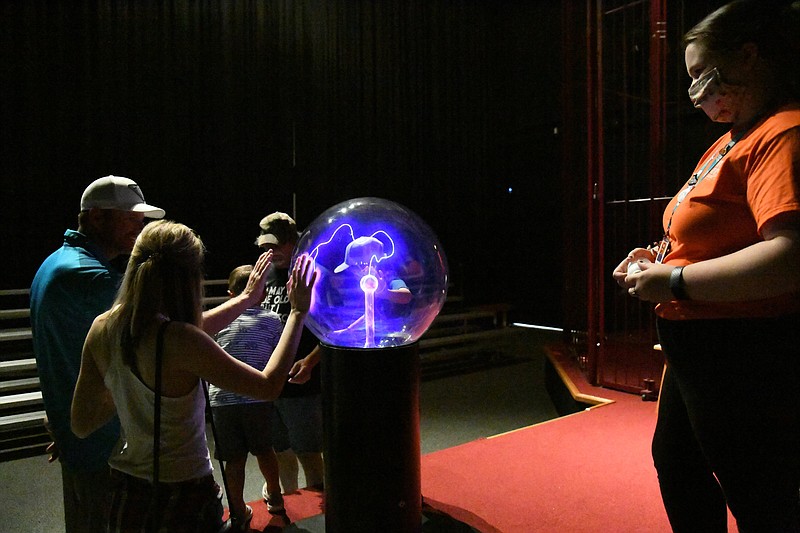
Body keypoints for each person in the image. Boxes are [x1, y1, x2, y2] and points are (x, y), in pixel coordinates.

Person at [613, 1, 800, 531]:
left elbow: (789, 256)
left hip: (743, 347)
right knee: (679, 465)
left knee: (759, 488)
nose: (697, 93)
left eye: (703, 75)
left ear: (749, 56)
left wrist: (672, 280)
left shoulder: (782, 133)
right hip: (698, 342)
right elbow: (709, 232)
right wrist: (658, 257)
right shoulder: (730, 139)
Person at [70, 220, 316, 532]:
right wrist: (297, 313)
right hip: (182, 494)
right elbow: (267, 386)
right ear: (187, 276)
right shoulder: (180, 339)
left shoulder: (103, 327)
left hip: (126, 491)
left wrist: (244, 300)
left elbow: (80, 424)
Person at [30, 175, 165, 532]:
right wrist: (244, 302)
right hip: (105, 447)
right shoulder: (90, 276)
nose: (140, 225)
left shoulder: (54, 264)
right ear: (96, 217)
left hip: (80, 436)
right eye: (130, 216)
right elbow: (165, 337)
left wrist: (65, 424)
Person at [208, 265, 286, 526]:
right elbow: (279, 354)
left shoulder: (219, 321)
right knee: (265, 450)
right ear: (261, 294)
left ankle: (238, 510)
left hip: (222, 400)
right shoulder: (272, 320)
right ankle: (275, 496)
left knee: (234, 459)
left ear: (231, 294)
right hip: (258, 397)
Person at [255, 212, 325, 494]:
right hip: (270, 382)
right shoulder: (267, 273)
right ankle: (290, 509)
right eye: (265, 248)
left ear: (293, 241)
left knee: (309, 453)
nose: (270, 254)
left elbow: (334, 328)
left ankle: (316, 515)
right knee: (280, 452)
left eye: (276, 247)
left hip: (302, 385)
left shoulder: (313, 273)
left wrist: (309, 362)